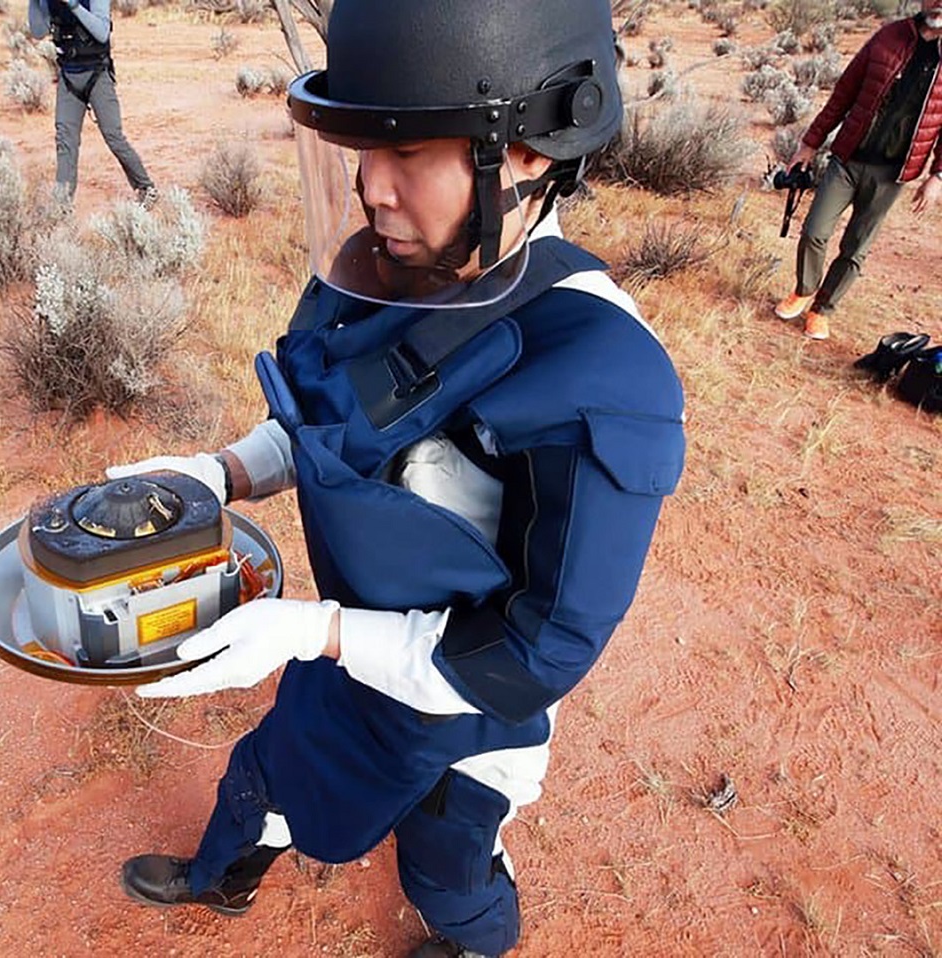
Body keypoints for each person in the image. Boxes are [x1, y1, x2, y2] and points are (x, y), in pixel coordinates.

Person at [105, 2, 686, 956]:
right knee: (264, 775)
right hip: (350, 667)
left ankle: (474, 941)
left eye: (407, 149)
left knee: (445, 865)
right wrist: (221, 473)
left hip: (464, 719)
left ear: (530, 152)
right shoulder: (384, 270)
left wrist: (317, 629)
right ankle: (224, 877)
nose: (371, 188)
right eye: (359, 147)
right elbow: (327, 424)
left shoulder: (602, 379)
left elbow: (530, 658)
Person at [775, 0, 942, 342]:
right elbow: (844, 94)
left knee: (855, 248)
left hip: (892, 174)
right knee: (814, 230)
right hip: (848, 158)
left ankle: (822, 310)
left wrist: (937, 177)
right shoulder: (888, 37)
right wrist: (810, 143)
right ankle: (805, 288)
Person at [27, 0, 157, 205]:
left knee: (113, 136)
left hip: (98, 75)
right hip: (68, 77)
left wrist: (73, 5)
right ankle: (62, 205)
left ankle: (145, 187)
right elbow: (38, 32)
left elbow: (102, 32)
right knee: (65, 140)